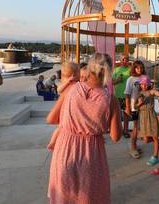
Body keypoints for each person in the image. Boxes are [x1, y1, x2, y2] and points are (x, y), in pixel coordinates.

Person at [48, 53, 122, 204]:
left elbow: (51, 119)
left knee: (64, 195)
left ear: (89, 68)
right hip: (91, 152)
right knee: (89, 195)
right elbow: (115, 136)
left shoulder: (71, 89)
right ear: (108, 71)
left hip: (65, 147)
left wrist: (72, 119)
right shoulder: (111, 100)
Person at [46, 62, 80, 151]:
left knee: (59, 128)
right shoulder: (78, 88)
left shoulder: (67, 88)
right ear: (75, 74)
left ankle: (53, 142)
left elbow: (50, 119)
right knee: (59, 128)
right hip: (73, 122)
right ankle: (52, 142)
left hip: (65, 118)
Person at [134, 75, 159, 166]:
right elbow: (135, 106)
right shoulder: (139, 93)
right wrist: (139, 104)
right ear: (140, 84)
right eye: (142, 84)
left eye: (146, 84)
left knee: (155, 136)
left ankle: (155, 156)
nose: (144, 86)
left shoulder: (151, 91)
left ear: (148, 84)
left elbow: (157, 93)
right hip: (142, 116)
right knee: (145, 139)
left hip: (151, 115)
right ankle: (158, 141)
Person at [124, 60, 146, 159]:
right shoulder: (130, 79)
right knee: (136, 128)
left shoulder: (144, 78)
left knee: (139, 127)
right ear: (134, 68)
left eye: (141, 68)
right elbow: (127, 94)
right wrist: (127, 107)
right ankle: (133, 147)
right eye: (137, 68)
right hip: (134, 107)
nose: (139, 70)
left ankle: (135, 145)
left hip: (143, 106)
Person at [113, 54, 131, 138]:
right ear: (120, 61)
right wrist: (117, 80)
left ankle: (126, 130)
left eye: (126, 60)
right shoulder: (116, 70)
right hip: (118, 95)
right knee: (117, 115)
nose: (124, 61)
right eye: (123, 59)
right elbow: (112, 82)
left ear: (128, 61)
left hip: (127, 96)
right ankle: (118, 130)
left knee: (126, 114)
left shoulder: (131, 70)